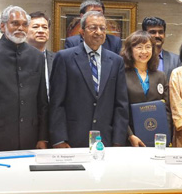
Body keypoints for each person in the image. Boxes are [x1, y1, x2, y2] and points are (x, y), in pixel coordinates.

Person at [0, 6, 48, 152]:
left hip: (30, 138)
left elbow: (42, 102)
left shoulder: (36, 56)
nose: (20, 28)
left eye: (24, 24)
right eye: (15, 23)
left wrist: (43, 137)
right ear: (3, 26)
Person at [50, 11, 129, 147]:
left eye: (102, 28)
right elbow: (57, 103)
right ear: (82, 31)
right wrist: (59, 139)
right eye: (93, 27)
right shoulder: (64, 58)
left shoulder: (116, 61)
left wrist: (118, 141)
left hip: (105, 140)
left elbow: (121, 105)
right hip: (72, 139)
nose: (98, 32)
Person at [120, 30, 170, 147]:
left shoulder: (160, 76)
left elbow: (167, 109)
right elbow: (119, 110)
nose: (144, 51)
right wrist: (130, 135)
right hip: (130, 139)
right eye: (139, 47)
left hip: (158, 138)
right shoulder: (121, 75)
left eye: (148, 47)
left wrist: (165, 135)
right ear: (130, 50)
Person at [27, 11, 54, 97]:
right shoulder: (17, 58)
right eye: (35, 27)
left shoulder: (58, 59)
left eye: (45, 27)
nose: (41, 31)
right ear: (25, 31)